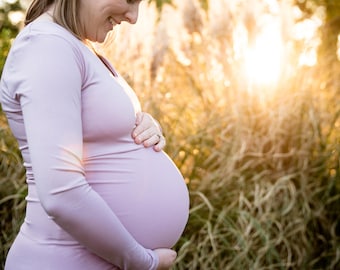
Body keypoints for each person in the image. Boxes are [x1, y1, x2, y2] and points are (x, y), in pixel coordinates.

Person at [0, 0, 190, 269]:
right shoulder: (46, 47)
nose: (133, 17)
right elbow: (60, 192)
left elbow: (100, 131)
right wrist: (142, 262)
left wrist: (145, 126)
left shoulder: (73, 44)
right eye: (130, 0)